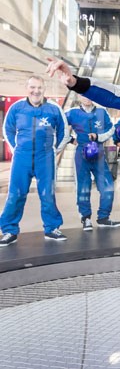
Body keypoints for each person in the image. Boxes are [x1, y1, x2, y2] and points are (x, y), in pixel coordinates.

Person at [0, 75, 70, 246]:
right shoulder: (17, 108)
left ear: (44, 89)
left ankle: (52, 228)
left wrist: (54, 150)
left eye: (39, 87)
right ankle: (9, 230)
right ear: (27, 88)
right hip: (21, 157)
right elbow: (7, 129)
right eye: (32, 87)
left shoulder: (54, 108)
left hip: (45, 157)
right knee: (15, 194)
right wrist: (16, 148)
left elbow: (64, 132)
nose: (36, 91)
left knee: (47, 194)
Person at [65, 95, 120, 230]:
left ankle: (103, 217)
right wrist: (70, 139)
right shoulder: (72, 113)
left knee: (107, 186)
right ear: (78, 96)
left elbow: (111, 129)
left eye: (88, 94)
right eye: (83, 94)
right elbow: (58, 125)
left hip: (99, 153)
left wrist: (99, 137)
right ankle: (86, 218)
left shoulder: (102, 112)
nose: (87, 97)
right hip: (81, 154)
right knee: (83, 187)